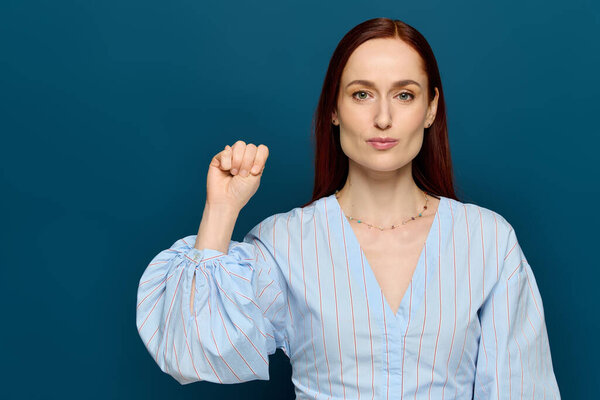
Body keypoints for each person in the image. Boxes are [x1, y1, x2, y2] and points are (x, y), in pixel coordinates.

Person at [135, 17, 561, 399]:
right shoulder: (284, 242)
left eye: (405, 95)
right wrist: (221, 210)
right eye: (361, 94)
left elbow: (521, 390)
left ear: (431, 108)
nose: (382, 118)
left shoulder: (488, 240)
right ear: (334, 109)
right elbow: (190, 353)